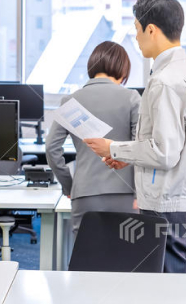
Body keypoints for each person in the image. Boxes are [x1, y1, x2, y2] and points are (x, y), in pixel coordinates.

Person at [86, 0, 186, 273]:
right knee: (181, 283)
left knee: (164, 288)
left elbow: (164, 153)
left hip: (166, 206)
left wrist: (112, 148)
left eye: (137, 29)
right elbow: (185, 146)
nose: (136, 38)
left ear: (151, 30)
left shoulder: (164, 82)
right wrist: (130, 158)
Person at [46, 41, 140, 236]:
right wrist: (140, 193)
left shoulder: (70, 101)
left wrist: (69, 186)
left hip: (84, 192)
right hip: (125, 193)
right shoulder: (132, 98)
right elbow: (140, 150)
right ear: (123, 70)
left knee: (86, 251)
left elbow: (51, 148)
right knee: (126, 251)